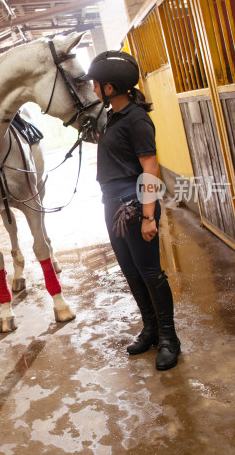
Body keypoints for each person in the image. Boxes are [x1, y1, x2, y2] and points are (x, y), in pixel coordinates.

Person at [83, 51, 181, 371]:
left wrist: (149, 215)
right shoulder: (114, 115)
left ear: (111, 88)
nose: (94, 89)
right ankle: (151, 329)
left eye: (97, 85)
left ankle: (169, 338)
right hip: (112, 203)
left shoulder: (137, 119)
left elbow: (150, 168)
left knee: (150, 272)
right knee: (132, 272)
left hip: (135, 204)